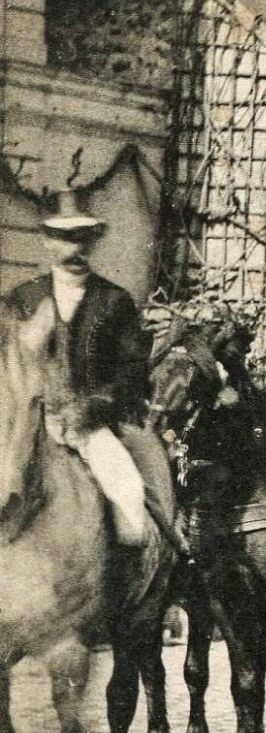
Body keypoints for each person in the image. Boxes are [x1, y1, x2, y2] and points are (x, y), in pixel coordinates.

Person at [5, 194, 172, 550]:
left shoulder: (113, 300)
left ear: (91, 241)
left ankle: (128, 587)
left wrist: (94, 407)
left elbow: (132, 371)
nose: (73, 246)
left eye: (81, 236)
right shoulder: (23, 298)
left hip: (90, 425)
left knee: (130, 511)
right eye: (64, 237)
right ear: (48, 241)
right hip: (27, 422)